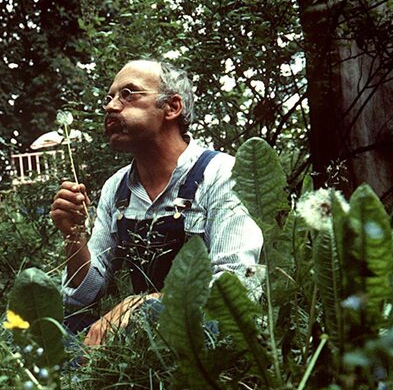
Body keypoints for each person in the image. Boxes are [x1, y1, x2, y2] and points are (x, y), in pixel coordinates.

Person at [50, 59, 263, 346]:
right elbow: (85, 295)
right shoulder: (117, 188)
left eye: (128, 94)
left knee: (151, 315)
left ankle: (80, 379)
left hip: (203, 337)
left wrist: (144, 305)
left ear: (172, 107)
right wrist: (73, 235)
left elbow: (238, 286)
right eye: (110, 97)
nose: (111, 106)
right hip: (139, 340)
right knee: (40, 329)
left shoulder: (222, 174)